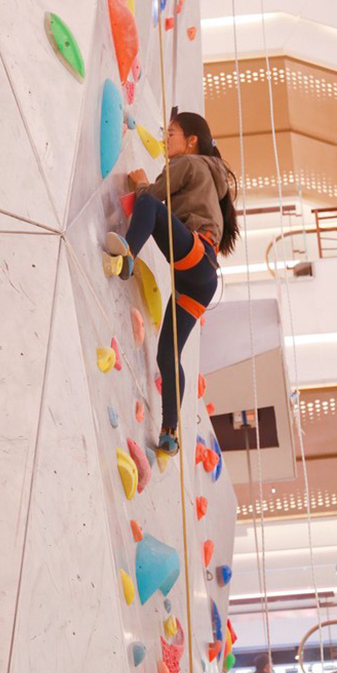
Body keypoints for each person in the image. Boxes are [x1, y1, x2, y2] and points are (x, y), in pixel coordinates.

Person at [105, 111, 239, 455]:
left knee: (148, 201)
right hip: (201, 277)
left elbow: (154, 195)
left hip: (195, 256)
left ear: (191, 141)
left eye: (173, 134)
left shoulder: (190, 164)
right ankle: (170, 431)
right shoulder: (211, 175)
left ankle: (128, 257)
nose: (167, 140)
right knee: (168, 354)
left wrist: (139, 183)